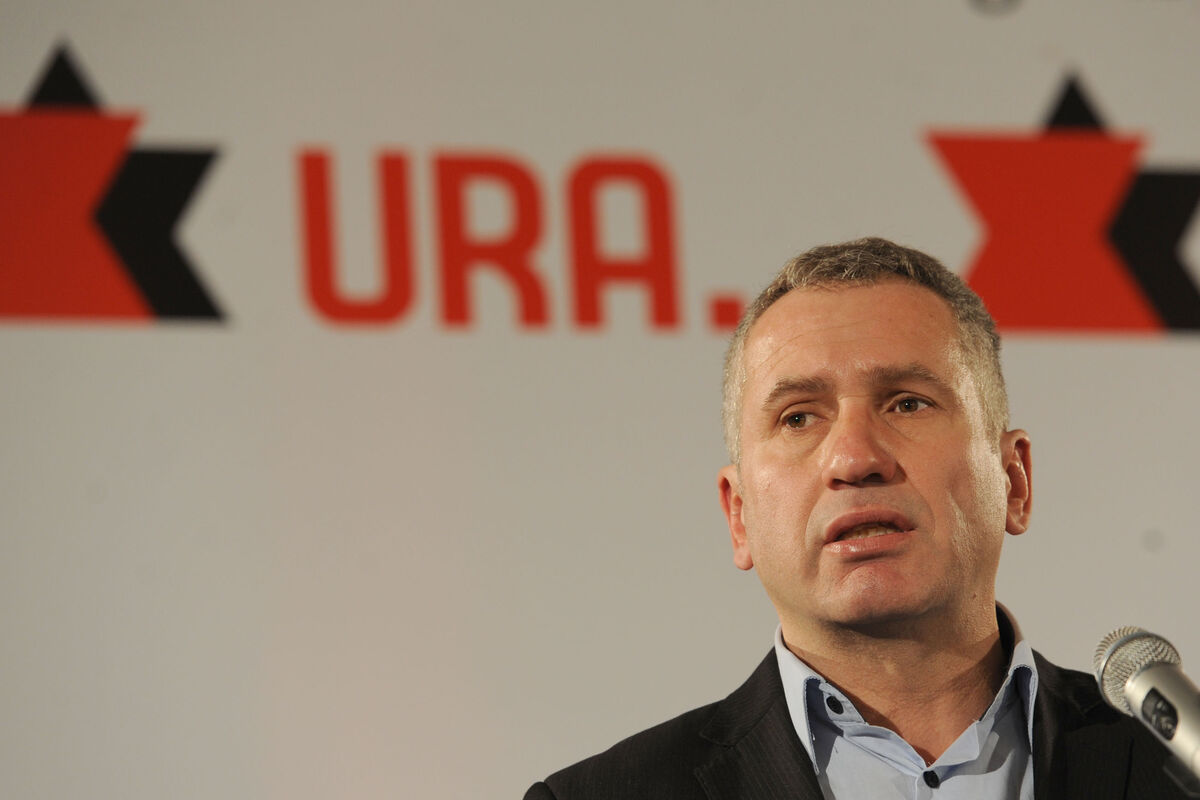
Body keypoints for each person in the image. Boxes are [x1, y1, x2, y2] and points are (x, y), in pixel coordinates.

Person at [524, 237, 1186, 799]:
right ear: (739, 515)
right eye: (798, 417)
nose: (854, 459)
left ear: (1014, 480)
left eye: (906, 403)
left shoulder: (1175, 763)